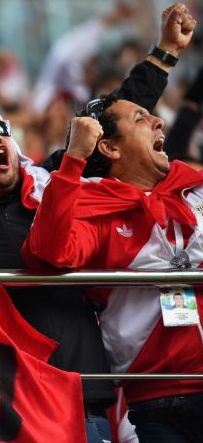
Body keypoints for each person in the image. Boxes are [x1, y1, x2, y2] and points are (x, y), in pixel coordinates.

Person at [0, 4, 195, 442]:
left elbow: (112, 124)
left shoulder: (54, 184)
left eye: (1, 127)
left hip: (82, 394)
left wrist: (164, 54)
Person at [22, 94, 203, 442]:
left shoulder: (192, 192)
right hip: (159, 399)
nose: (158, 122)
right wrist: (73, 160)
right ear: (109, 148)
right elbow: (49, 250)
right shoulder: (100, 210)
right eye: (140, 119)